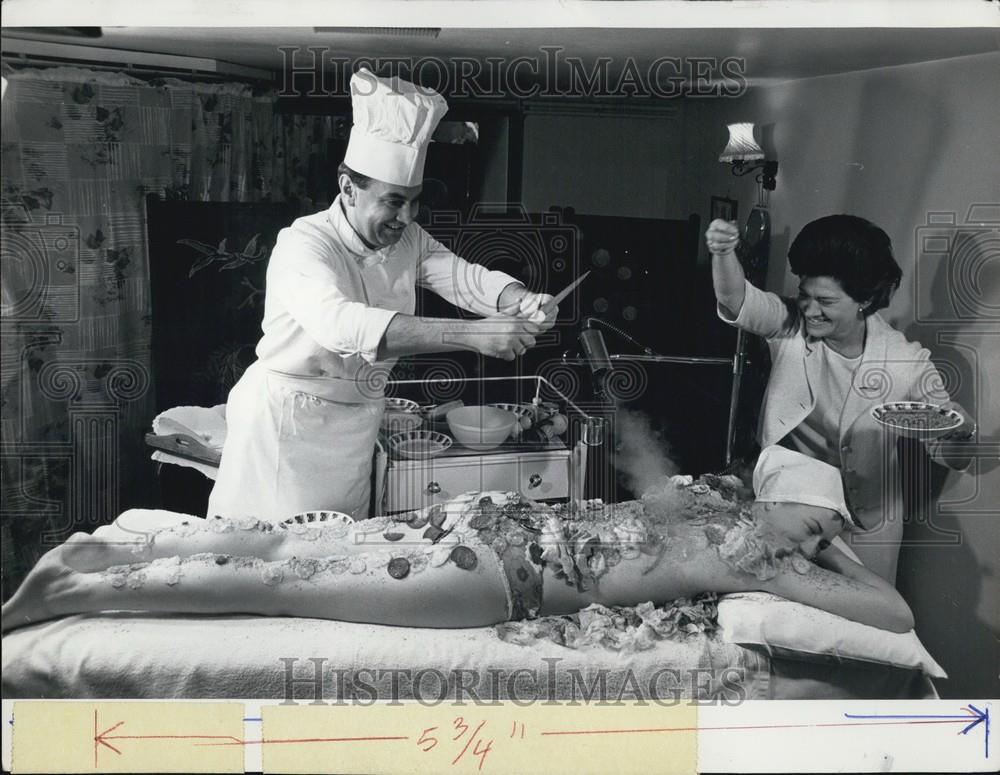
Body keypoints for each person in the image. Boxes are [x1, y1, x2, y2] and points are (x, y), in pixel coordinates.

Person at [1, 447, 914, 636]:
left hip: (488, 524)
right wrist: (833, 553)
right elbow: (892, 609)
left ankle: (113, 558)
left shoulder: (703, 495)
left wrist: (822, 532)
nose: (827, 540)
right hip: (498, 574)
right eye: (823, 521)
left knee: (292, 556)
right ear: (787, 504)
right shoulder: (762, 551)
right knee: (288, 584)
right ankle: (69, 595)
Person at [207, 68, 558, 524]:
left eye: (414, 200)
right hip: (286, 426)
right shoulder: (303, 243)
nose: (406, 216)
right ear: (348, 188)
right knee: (273, 560)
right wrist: (475, 336)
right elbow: (341, 324)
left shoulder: (407, 238)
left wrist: (520, 298)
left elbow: (465, 278)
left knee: (338, 555)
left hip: (355, 424)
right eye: (394, 201)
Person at [706, 214, 975, 582]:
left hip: (867, 526)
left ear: (864, 299)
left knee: (862, 621)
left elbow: (946, 451)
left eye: (826, 301)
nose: (810, 310)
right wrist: (722, 252)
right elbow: (735, 297)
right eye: (805, 296)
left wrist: (958, 432)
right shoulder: (790, 324)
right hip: (789, 510)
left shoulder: (906, 361)